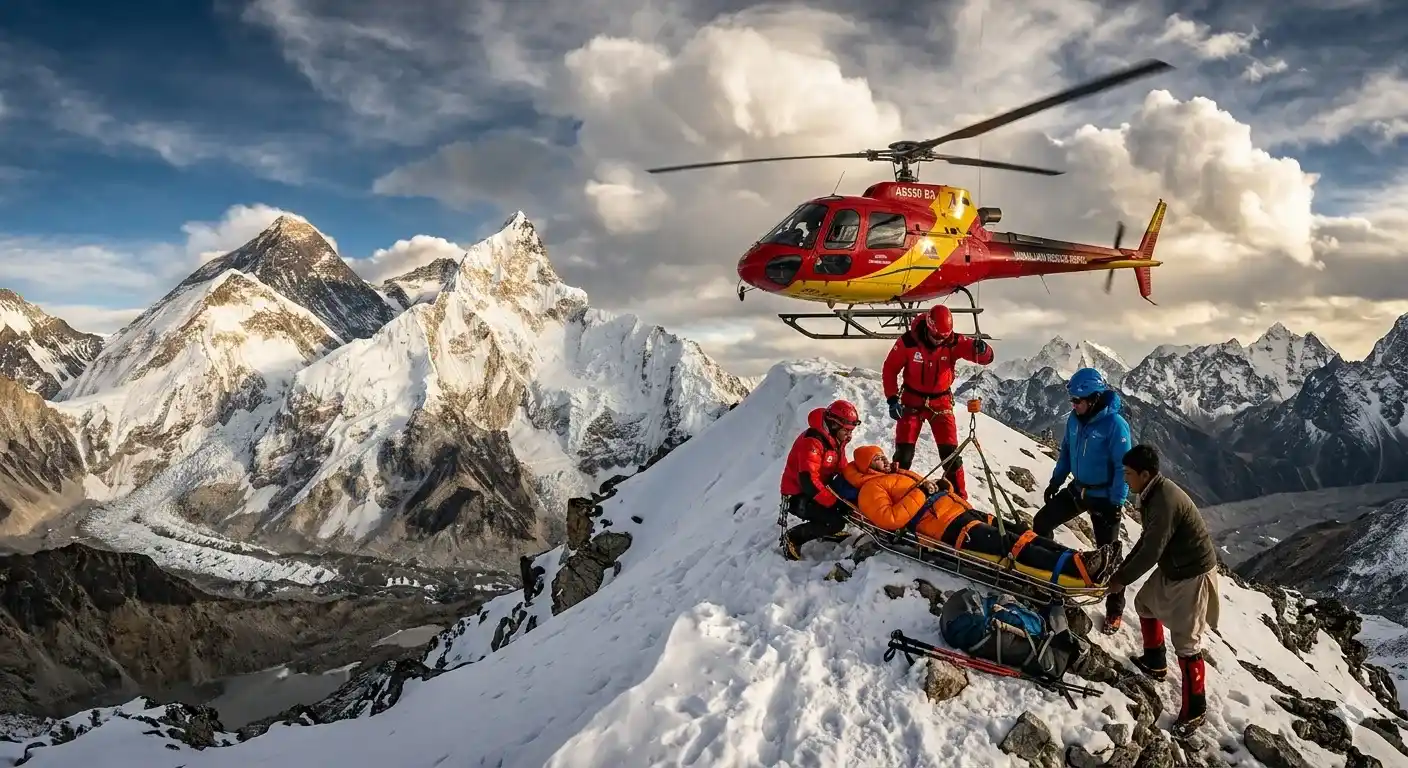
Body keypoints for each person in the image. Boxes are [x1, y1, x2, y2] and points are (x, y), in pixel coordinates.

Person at [833, 444, 1117, 588]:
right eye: (877, 459)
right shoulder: (871, 489)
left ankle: (1080, 557)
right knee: (1009, 546)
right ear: (866, 466)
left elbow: (924, 489)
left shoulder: (895, 475)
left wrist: (941, 487)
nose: (884, 460)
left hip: (957, 511)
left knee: (1020, 533)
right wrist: (921, 492)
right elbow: (890, 519)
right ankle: (1078, 569)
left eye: (882, 456)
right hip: (944, 527)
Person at [1105, 444, 1219, 738]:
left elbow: (1151, 550)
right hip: (1176, 567)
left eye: (1129, 474)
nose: (1126, 479)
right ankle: (1155, 662)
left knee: (1187, 642)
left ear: (1145, 474)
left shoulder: (1163, 501)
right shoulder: (1154, 493)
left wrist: (1121, 579)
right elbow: (1148, 542)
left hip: (1192, 574)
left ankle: (1196, 709)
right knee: (1145, 604)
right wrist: (1121, 574)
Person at [1034, 367, 1132, 633]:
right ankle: (1047, 572)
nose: (1073, 405)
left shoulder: (1115, 425)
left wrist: (1116, 503)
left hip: (1103, 497)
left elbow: (1123, 468)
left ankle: (1115, 611)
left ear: (1094, 398)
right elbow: (1066, 452)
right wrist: (1056, 480)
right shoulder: (1074, 420)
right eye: (1072, 401)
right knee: (1041, 522)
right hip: (1078, 489)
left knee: (1109, 556)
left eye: (1077, 401)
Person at [881, 305, 995, 500]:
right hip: (912, 402)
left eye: (943, 338)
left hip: (941, 403)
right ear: (928, 327)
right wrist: (892, 399)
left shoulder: (952, 341)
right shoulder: (908, 342)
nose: (939, 341)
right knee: (904, 455)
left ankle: (959, 499)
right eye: (936, 337)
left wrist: (982, 349)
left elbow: (985, 358)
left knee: (951, 456)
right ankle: (894, 494)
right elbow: (890, 369)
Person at [779, 399, 861, 560]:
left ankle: (827, 526)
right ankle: (794, 537)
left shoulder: (835, 440)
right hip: (798, 495)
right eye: (847, 430)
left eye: (851, 430)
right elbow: (808, 481)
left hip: (818, 488)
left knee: (846, 504)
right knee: (836, 521)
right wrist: (834, 502)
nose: (850, 434)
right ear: (834, 425)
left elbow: (841, 467)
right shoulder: (813, 442)